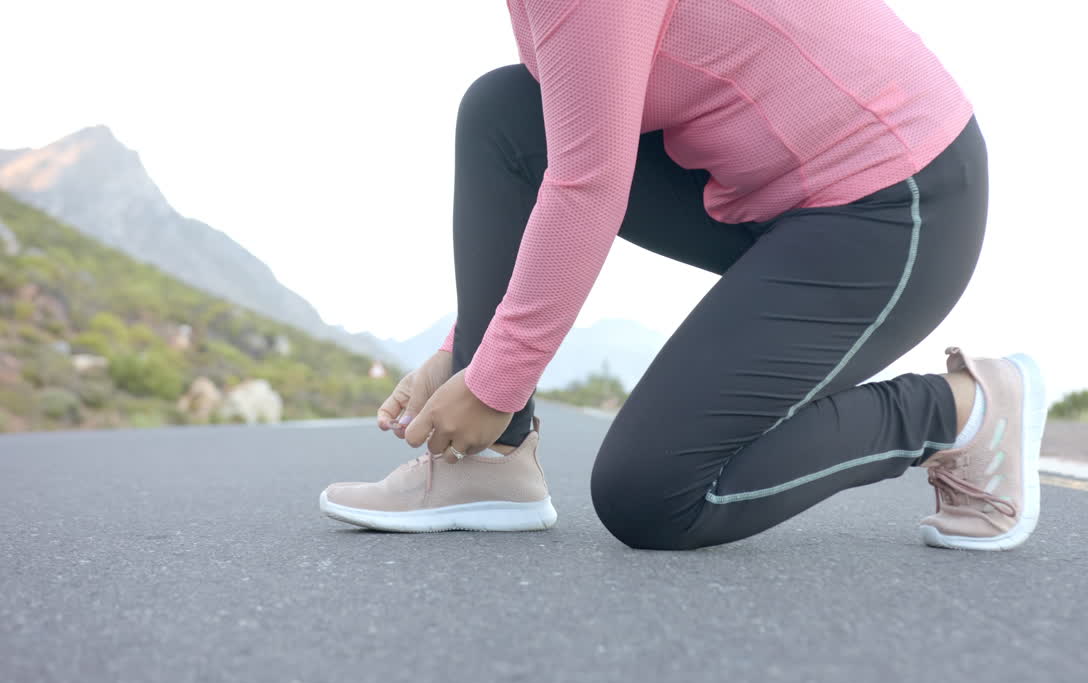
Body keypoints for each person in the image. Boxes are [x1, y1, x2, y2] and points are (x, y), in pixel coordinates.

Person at [318, 0, 1049, 551]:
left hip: (898, 203)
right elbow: (579, 137)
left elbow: (589, 185)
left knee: (653, 494)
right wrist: (468, 352)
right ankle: (492, 459)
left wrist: (490, 379)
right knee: (505, 115)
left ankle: (963, 411)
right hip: (772, 192)